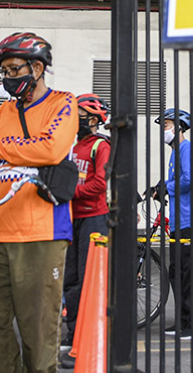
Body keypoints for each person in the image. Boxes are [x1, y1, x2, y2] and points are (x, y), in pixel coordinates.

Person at [0, 32, 76, 373]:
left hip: (41, 232)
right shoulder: (3, 111)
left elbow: (50, 148)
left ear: (36, 68)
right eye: (4, 72)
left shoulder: (63, 104)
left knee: (38, 332)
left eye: (13, 70)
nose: (8, 78)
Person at [61, 93, 111, 352]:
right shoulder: (71, 145)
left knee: (87, 277)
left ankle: (90, 331)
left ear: (92, 119)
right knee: (70, 278)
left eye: (78, 114)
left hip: (93, 218)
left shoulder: (100, 146)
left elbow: (100, 183)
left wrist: (71, 192)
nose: (74, 118)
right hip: (71, 218)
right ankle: (73, 330)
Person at [156, 108, 193, 339]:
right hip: (180, 222)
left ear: (179, 127)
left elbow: (188, 180)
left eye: (167, 125)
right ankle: (183, 320)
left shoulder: (188, 150)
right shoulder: (175, 153)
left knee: (192, 274)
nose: (164, 130)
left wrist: (166, 187)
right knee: (177, 273)